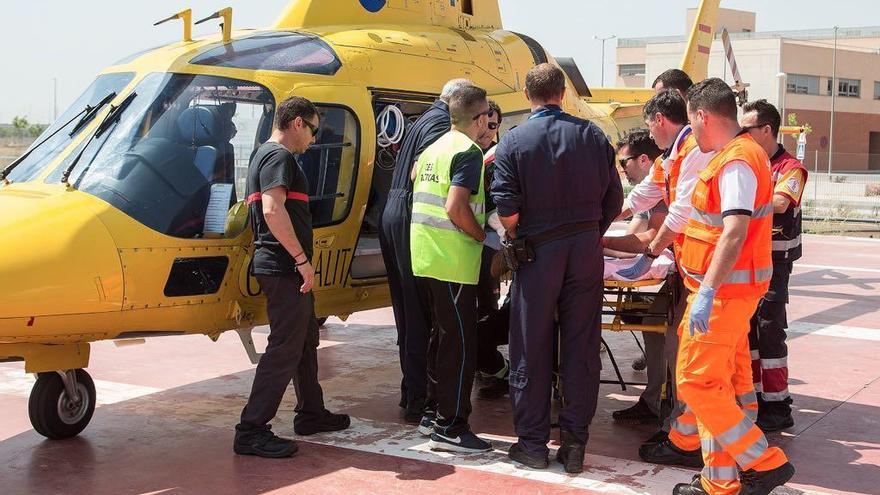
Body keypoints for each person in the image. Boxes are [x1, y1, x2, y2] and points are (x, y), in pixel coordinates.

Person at [492, 63, 623, 473]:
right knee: (582, 347)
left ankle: (532, 444)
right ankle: (574, 446)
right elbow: (614, 201)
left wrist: (519, 236)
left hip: (538, 252)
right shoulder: (593, 135)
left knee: (531, 344)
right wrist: (586, 233)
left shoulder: (513, 142)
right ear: (562, 93)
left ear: (527, 96)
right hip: (585, 250)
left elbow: (507, 210)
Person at [671, 78, 794, 495]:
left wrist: (706, 291)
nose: (692, 132)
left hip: (722, 294)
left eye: (691, 122)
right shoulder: (741, 155)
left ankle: (764, 461)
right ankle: (719, 482)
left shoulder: (736, 161)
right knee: (717, 386)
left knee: (695, 383)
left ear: (702, 116)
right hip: (727, 293)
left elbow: (735, 230)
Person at [234, 96, 350, 459]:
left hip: (284, 266)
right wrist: (301, 259)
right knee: (285, 346)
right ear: (297, 123)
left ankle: (311, 412)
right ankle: (251, 429)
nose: (313, 140)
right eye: (313, 130)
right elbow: (272, 208)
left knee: (304, 340)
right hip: (284, 267)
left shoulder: (267, 156)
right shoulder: (277, 157)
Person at [605, 89, 713, 469]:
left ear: (660, 121)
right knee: (673, 340)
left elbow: (679, 212)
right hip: (694, 268)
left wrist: (649, 253)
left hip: (708, 271)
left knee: (689, 355)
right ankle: (676, 422)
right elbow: (642, 196)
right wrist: (606, 218)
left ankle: (685, 433)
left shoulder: (695, 152)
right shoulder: (675, 155)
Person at [379, 78, 473, 423]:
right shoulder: (438, 124)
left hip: (394, 212)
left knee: (408, 314)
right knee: (420, 317)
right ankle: (420, 398)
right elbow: (426, 172)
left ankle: (413, 393)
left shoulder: (424, 119)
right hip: (408, 215)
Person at [409, 85, 493, 453]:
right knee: (459, 344)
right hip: (454, 258)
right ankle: (452, 426)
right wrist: (483, 237)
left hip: (426, 255)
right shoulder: (468, 152)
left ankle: (433, 412)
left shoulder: (433, 148)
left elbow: (416, 179)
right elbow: (456, 207)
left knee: (440, 338)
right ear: (478, 119)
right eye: (488, 116)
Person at [741, 99, 807, 432]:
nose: (742, 134)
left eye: (747, 129)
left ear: (766, 130)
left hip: (775, 263)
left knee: (769, 330)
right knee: (749, 330)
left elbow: (781, 202)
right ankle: (755, 397)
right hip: (751, 259)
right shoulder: (750, 163)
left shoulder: (790, 168)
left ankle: (778, 404)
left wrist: (739, 206)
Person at [474, 100, 511, 400]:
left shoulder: (496, 158)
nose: (487, 130)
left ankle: (492, 367)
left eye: (493, 125)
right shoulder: (472, 156)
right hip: (478, 241)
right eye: (483, 123)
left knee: (487, 305)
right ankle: (488, 364)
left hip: (491, 244)